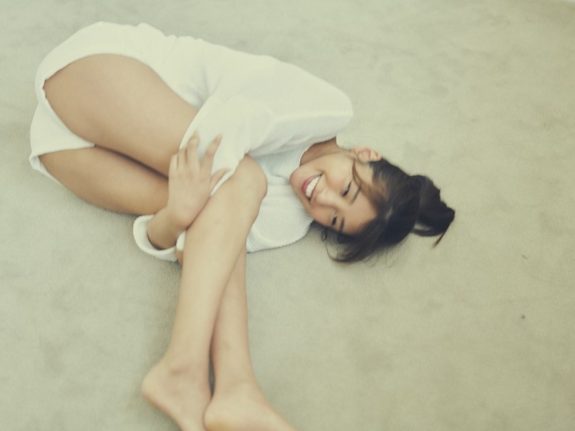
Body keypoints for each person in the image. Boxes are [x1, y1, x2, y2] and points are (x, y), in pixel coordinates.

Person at [29, 22, 454, 431]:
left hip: (62, 149)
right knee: (239, 181)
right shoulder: (327, 109)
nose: (322, 199)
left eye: (335, 219)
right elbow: (235, 122)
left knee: (223, 223)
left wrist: (177, 215)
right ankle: (202, 373)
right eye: (347, 188)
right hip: (94, 72)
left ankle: (231, 392)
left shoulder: (288, 221)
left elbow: (192, 248)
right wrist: (210, 205)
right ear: (363, 153)